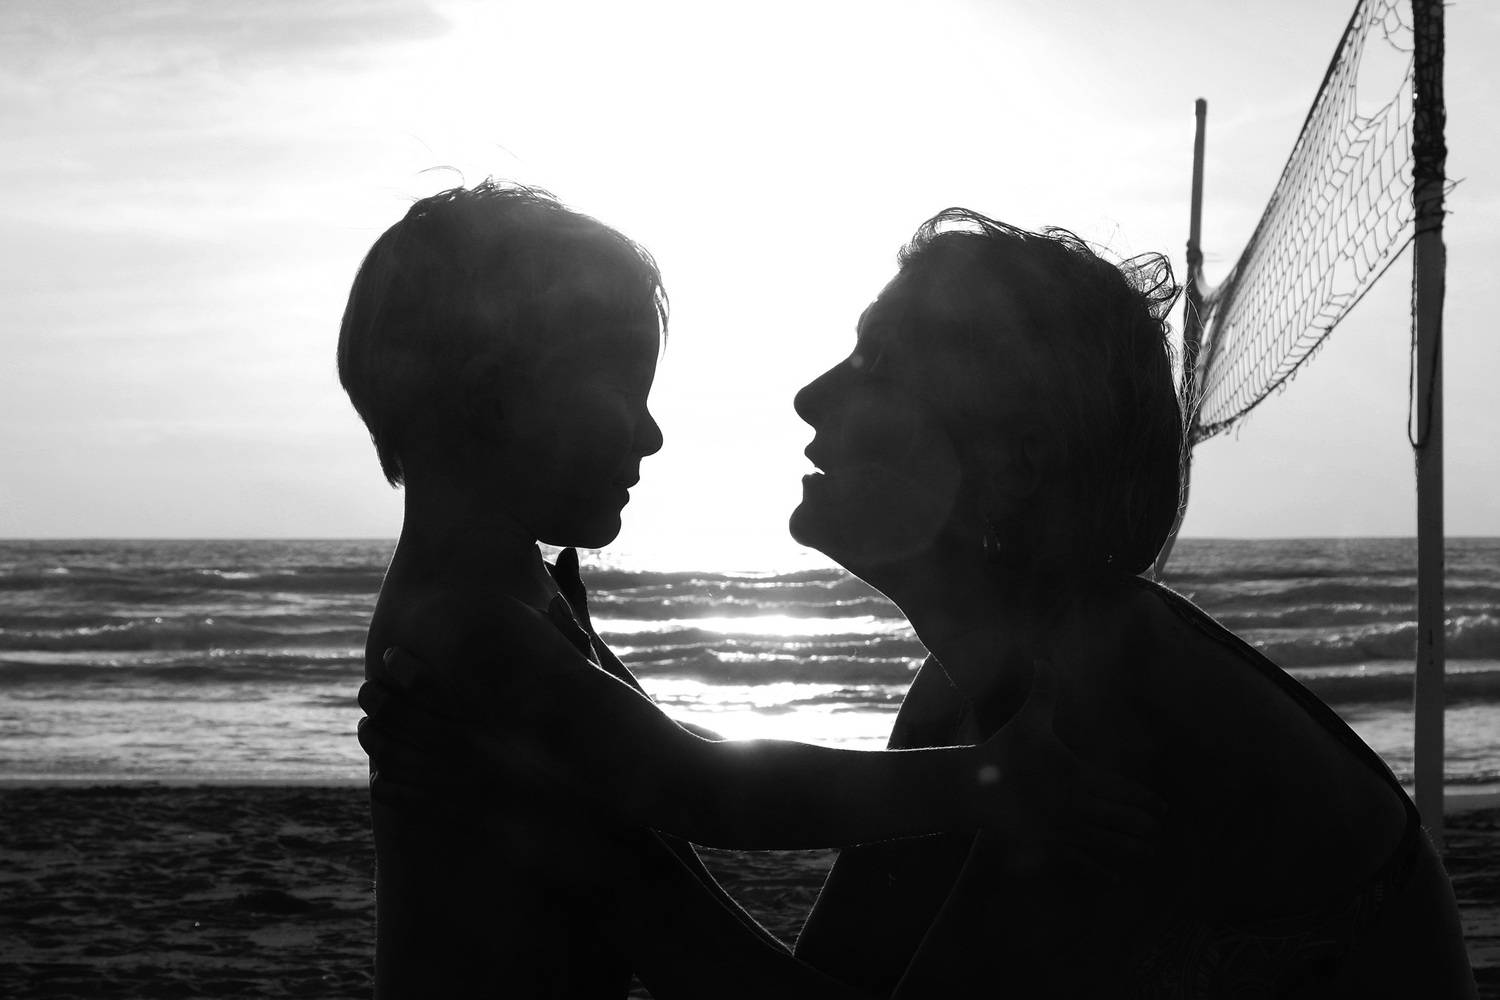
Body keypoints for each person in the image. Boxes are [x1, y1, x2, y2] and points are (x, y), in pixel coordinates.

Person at [367, 207, 1476, 997]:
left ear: (1013, 456)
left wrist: (577, 835)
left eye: (878, 363)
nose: (808, 396)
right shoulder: (976, 692)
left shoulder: (1111, 715)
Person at [339, 184, 1159, 999]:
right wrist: (990, 782)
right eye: (624, 393)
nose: (652, 433)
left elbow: (676, 785)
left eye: (878, 360)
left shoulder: (507, 603)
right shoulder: (471, 625)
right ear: (494, 400)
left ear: (1022, 452)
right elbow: (702, 789)